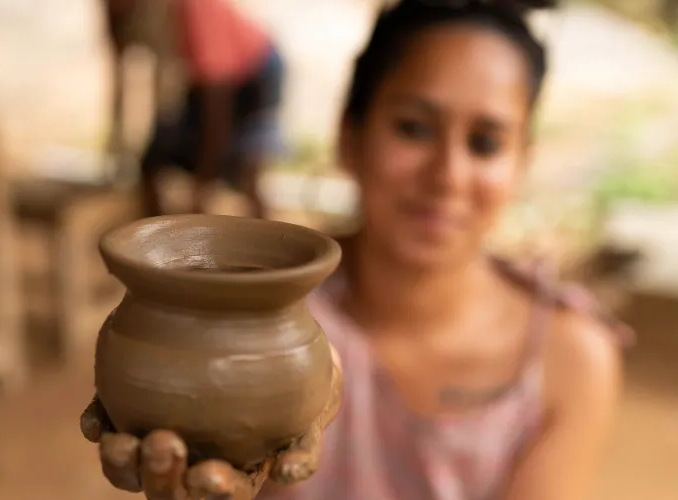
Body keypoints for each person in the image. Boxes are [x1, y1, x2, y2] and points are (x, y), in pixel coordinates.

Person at [80, 0, 634, 498]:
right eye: (414, 128)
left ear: (522, 164)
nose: (448, 175)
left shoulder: (567, 359)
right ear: (350, 136)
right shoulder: (275, 316)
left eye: (485, 143)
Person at [102, 0, 286, 219]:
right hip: (207, 82)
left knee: (246, 169)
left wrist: (202, 186)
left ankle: (268, 241)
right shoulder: (140, 18)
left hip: (254, 71)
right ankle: (158, 235)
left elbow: (217, 104)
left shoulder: (195, 10)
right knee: (151, 160)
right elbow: (121, 52)